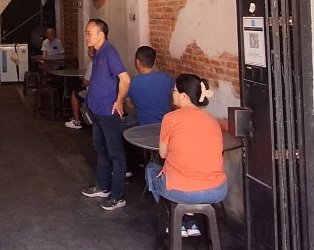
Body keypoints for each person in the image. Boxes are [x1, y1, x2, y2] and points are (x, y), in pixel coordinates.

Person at [147, 73, 229, 237]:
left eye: (175, 90)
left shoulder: (171, 118)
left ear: (184, 96)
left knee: (151, 169)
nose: (173, 93)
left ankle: (176, 218)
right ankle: (190, 220)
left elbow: (163, 154)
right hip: (216, 190)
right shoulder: (212, 120)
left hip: (181, 190)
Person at [79, 19, 131, 211]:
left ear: (101, 34)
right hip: (98, 111)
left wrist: (119, 100)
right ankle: (103, 186)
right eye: (86, 33)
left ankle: (118, 196)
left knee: (115, 154)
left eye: (89, 33)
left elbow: (125, 79)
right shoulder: (99, 52)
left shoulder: (109, 52)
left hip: (109, 112)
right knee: (100, 149)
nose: (86, 37)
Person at [126, 46, 173, 127]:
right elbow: (173, 100)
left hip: (145, 126)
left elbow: (129, 105)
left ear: (137, 62)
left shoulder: (132, 82)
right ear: (154, 61)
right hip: (166, 124)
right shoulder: (167, 78)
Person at [63, 46, 95, 130]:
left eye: (89, 50)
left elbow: (85, 82)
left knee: (75, 93)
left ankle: (77, 121)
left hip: (93, 91)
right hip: (104, 90)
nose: (88, 52)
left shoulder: (92, 64)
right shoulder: (103, 61)